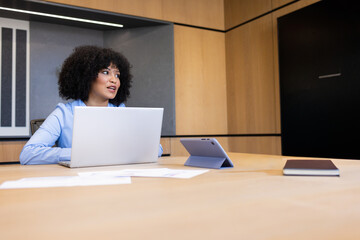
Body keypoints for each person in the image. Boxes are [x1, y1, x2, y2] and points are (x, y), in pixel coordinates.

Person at [20, 45, 163, 165]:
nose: (114, 80)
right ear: (86, 76)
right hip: (77, 184)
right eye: (106, 72)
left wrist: (123, 151)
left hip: (116, 182)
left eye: (117, 75)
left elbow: (156, 149)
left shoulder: (121, 111)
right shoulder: (64, 113)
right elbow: (28, 154)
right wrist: (82, 153)